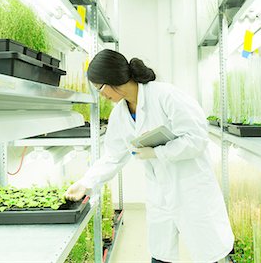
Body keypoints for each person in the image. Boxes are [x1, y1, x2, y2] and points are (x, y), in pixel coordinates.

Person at [64, 49, 234, 263]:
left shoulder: (165, 95)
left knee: (210, 252)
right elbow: (113, 156)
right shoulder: (120, 114)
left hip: (191, 187)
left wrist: (158, 152)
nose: (102, 95)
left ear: (112, 81)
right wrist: (86, 182)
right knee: (161, 254)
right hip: (160, 192)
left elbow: (197, 139)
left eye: (100, 88)